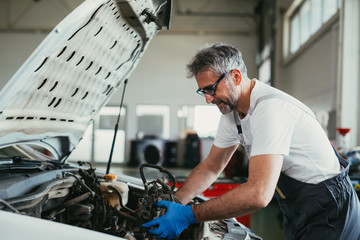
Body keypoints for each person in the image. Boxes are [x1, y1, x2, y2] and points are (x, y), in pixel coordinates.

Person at [143, 43, 360, 239]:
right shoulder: (232, 113)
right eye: (203, 92)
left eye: (211, 89)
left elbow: (258, 194)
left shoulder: (271, 109)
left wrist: (188, 215)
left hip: (329, 208)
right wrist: (175, 202)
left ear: (236, 77)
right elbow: (211, 167)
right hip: (297, 205)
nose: (208, 99)